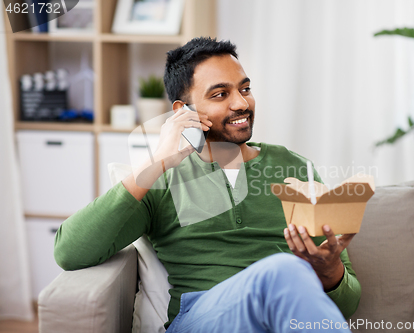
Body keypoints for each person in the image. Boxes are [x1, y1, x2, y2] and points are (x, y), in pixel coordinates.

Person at [54, 37, 361, 333]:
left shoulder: (295, 167)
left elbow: (347, 305)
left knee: (287, 274)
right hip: (199, 320)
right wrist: (158, 161)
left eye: (245, 89)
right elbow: (70, 252)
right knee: (284, 270)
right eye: (220, 94)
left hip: (282, 320)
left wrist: (329, 271)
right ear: (182, 112)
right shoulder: (161, 180)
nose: (242, 103)